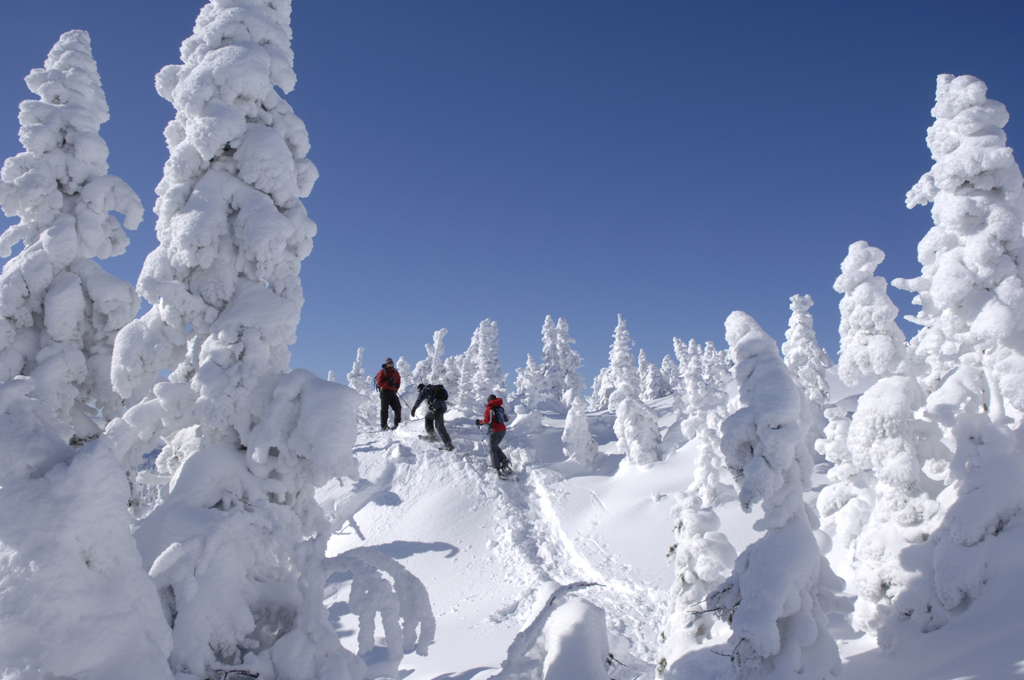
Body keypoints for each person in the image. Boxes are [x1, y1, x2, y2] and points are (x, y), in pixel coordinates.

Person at [476, 394, 513, 478]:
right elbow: (506, 418)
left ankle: (496, 467)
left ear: (489, 400)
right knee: (495, 446)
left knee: (492, 449)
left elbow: (487, 420)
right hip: (503, 430)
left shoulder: (489, 409)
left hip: (494, 430)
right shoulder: (500, 408)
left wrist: (479, 422)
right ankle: (503, 460)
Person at [411, 383, 454, 451]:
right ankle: (432, 436)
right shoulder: (433, 390)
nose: (419, 393)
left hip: (438, 408)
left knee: (439, 426)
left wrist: (414, 408)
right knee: (428, 417)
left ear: (421, 389)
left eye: (419, 391)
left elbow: (420, 398)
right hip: (440, 408)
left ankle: (448, 445)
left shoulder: (426, 390)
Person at [375, 357, 402, 431]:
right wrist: (388, 382)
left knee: (398, 408)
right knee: (384, 409)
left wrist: (397, 386)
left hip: (393, 392)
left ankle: (398, 424)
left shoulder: (395, 371)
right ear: (387, 364)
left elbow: (398, 380)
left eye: (392, 363)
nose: (391, 364)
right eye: (389, 363)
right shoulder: (382, 372)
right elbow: (379, 383)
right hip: (384, 392)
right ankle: (384, 425)